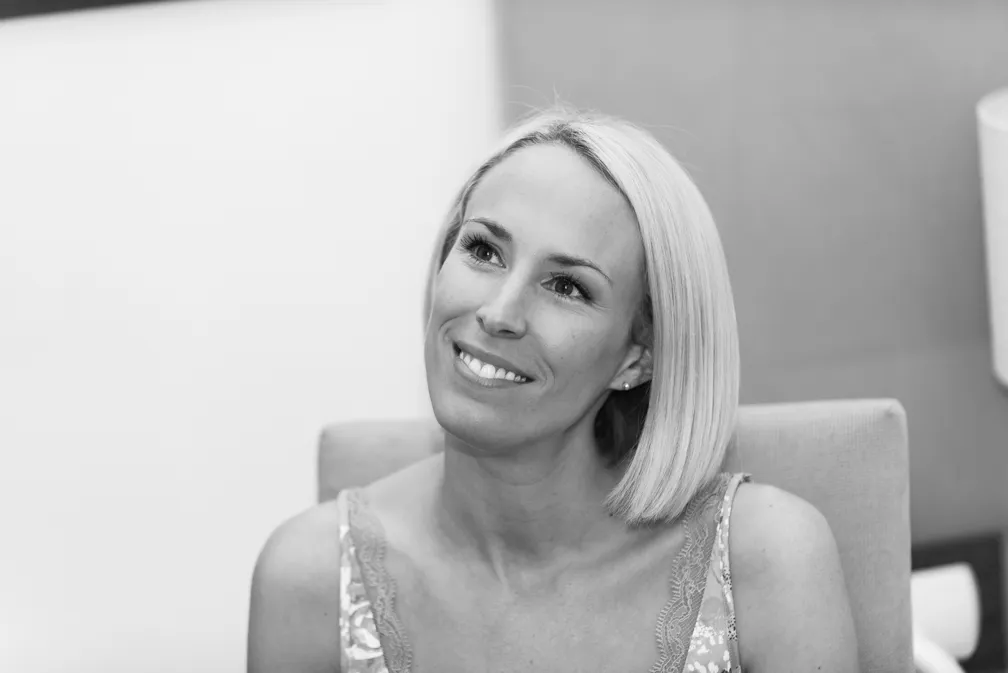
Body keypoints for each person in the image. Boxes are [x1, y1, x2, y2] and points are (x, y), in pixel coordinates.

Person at [247, 107, 859, 673]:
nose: (499, 312)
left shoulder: (768, 563)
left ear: (638, 355)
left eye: (567, 287)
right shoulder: (308, 578)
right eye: (483, 250)